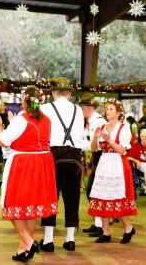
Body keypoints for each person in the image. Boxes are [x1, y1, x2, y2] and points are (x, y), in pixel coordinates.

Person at [0, 86, 57, 262]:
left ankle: (29, 241)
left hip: (24, 164)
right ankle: (23, 249)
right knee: (31, 208)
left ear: (24, 101)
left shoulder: (21, 119)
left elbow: (3, 141)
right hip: (43, 164)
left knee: (13, 204)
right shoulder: (47, 120)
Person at [39, 78, 85, 252]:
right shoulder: (78, 110)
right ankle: (70, 239)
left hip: (53, 155)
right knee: (72, 197)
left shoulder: (45, 108)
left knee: (50, 197)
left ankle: (48, 240)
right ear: (70, 93)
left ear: (53, 93)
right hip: (74, 156)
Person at [88, 101, 137, 244]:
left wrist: (109, 140)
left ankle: (128, 227)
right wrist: (96, 137)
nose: (107, 111)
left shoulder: (124, 128)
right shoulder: (101, 127)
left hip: (118, 164)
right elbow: (93, 149)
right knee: (102, 196)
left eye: (111, 109)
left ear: (118, 112)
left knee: (117, 198)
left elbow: (123, 150)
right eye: (106, 109)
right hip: (104, 163)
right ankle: (105, 232)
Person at [79, 93, 107, 237]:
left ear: (88, 108)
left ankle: (101, 225)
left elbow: (99, 144)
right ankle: (98, 224)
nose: (81, 111)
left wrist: (82, 146)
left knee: (94, 191)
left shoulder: (98, 121)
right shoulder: (91, 121)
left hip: (101, 157)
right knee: (93, 192)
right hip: (96, 157)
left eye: (82, 108)